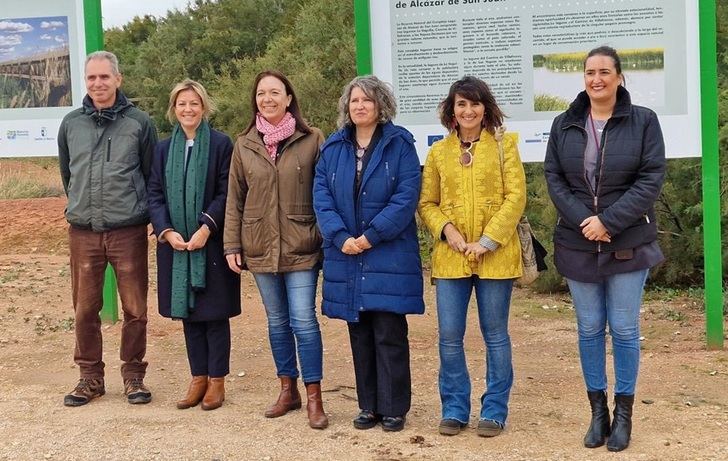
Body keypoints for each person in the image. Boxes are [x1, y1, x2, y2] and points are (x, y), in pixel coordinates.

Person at [544, 46, 665, 452]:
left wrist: (609, 222)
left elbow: (650, 178)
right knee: (590, 329)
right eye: (590, 72)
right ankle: (598, 414)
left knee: (626, 330)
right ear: (584, 78)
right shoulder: (564, 124)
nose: (596, 79)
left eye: (604, 72)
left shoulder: (644, 121)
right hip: (578, 242)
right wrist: (586, 221)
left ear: (619, 77)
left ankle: (624, 415)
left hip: (628, 241)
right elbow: (554, 178)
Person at [313, 75, 424, 432]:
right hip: (347, 253)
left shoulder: (399, 144)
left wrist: (370, 236)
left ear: (381, 106)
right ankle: (369, 406)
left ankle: (394, 408)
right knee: (359, 333)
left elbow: (406, 197)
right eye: (354, 100)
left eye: (367, 100)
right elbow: (321, 197)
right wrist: (340, 235)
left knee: (389, 332)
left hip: (386, 253)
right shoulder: (333, 148)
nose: (359, 106)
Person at [418, 76, 526, 437]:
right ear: (452, 109)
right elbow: (426, 203)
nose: (468, 110)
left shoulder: (504, 146)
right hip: (451, 258)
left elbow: (516, 197)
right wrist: (447, 230)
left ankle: (494, 409)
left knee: (495, 334)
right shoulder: (437, 152)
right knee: (449, 335)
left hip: (495, 256)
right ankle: (454, 407)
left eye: (475, 103)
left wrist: (488, 240)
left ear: (486, 108)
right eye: (461, 104)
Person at [223, 70, 328, 429]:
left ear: (288, 98)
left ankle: (314, 395)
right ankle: (288, 389)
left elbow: (324, 192)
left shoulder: (312, 139)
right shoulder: (244, 144)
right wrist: (231, 243)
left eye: (275, 93)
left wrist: (325, 235)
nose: (267, 99)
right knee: (277, 323)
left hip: (302, 244)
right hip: (259, 244)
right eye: (261, 93)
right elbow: (235, 198)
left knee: (303, 320)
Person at [58, 51, 157, 406]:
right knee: (85, 308)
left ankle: (133, 376)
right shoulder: (71, 124)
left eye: (104, 77)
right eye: (91, 78)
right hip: (83, 231)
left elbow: (150, 174)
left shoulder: (139, 123)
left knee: (135, 308)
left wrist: (140, 212)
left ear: (118, 79)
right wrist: (80, 206)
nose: (97, 84)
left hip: (127, 230)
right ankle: (90, 378)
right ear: (85, 82)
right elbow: (68, 174)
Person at [147, 79, 241, 411]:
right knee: (188, 314)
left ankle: (217, 381)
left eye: (194, 103)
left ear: (204, 107)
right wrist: (167, 231)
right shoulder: (161, 149)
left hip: (210, 244)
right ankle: (197, 377)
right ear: (174, 109)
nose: (188, 109)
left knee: (214, 314)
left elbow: (225, 191)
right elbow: (154, 193)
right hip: (176, 245)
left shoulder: (220, 144)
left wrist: (206, 228)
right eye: (182, 104)